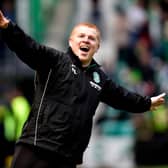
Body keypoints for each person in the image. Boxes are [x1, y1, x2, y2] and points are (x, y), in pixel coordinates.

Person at [0, 10, 166, 168]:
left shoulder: (100, 79)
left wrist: (146, 103)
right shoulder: (55, 60)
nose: (86, 40)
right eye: (81, 36)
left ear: (97, 47)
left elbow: (122, 97)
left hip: (67, 158)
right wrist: (8, 28)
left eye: (92, 38)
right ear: (71, 42)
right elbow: (28, 47)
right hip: (36, 147)